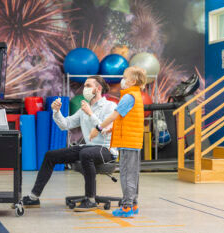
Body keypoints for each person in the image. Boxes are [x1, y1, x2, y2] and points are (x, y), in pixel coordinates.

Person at [22, 75, 117, 212]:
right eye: (84, 86)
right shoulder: (85, 108)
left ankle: (90, 200)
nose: (85, 89)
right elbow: (65, 124)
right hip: (89, 148)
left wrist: (91, 114)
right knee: (50, 155)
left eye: (88, 86)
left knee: (85, 153)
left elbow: (105, 130)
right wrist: (56, 112)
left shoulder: (110, 106)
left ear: (99, 88)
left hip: (106, 149)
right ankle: (33, 197)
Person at [90, 66, 146, 218]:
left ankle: (127, 206)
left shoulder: (129, 96)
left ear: (132, 81)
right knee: (133, 173)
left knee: (127, 174)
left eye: (125, 77)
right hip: (132, 140)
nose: (122, 80)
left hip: (128, 142)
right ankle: (133, 204)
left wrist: (99, 127)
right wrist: (111, 130)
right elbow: (126, 120)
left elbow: (115, 115)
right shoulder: (136, 95)